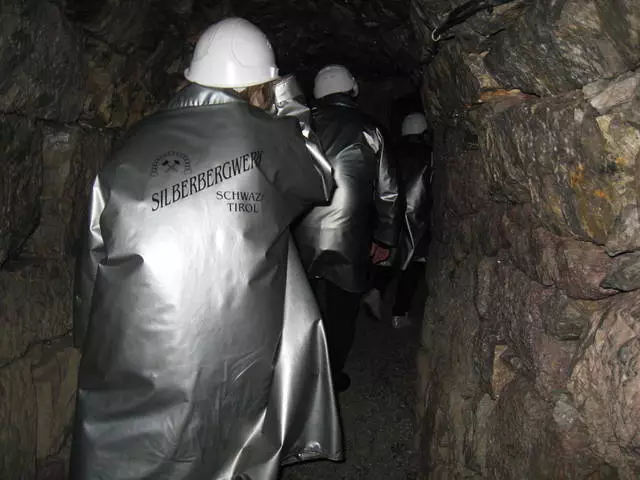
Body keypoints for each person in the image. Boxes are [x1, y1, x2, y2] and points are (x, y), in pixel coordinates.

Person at [70, 17, 342, 480]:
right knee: (226, 446)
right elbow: (319, 177)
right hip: (233, 351)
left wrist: (90, 342)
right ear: (263, 82)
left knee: (131, 453)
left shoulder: (131, 143)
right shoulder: (268, 137)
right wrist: (290, 102)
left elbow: (93, 257)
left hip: (137, 349)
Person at [293, 64, 401, 393]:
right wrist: (386, 236)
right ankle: (331, 374)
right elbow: (389, 192)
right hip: (349, 238)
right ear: (351, 89)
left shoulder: (297, 126)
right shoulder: (371, 130)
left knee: (298, 307)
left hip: (300, 236)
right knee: (343, 312)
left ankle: (298, 374)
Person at [364, 112, 433, 328]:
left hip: (393, 215)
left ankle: (376, 290)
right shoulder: (428, 155)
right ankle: (399, 313)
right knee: (414, 263)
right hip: (418, 216)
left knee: (389, 257)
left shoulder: (393, 153)